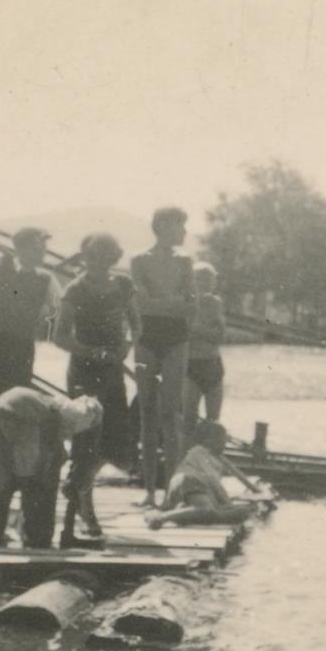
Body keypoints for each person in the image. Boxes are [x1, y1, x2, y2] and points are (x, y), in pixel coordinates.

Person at [53, 233, 139, 543]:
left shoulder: (123, 285)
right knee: (86, 443)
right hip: (84, 372)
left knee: (114, 443)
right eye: (93, 258)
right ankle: (83, 509)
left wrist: (127, 345)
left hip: (112, 370)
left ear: (113, 259)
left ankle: (79, 490)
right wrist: (90, 352)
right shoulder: (75, 290)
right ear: (85, 258)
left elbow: (136, 324)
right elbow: (59, 336)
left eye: (105, 258)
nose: (99, 264)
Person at [0, 387, 101, 551]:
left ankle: (34, 534)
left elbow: (87, 409)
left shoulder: (58, 417)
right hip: (3, 469)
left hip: (36, 467)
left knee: (39, 539)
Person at [0, 227, 61, 448]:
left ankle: (9, 458)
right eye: (37, 248)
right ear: (21, 248)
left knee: (16, 402)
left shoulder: (47, 279)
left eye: (44, 248)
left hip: (21, 347)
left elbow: (59, 309)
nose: (42, 252)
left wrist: (45, 320)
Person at [129, 206, 195, 506]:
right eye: (180, 225)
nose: (184, 231)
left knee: (170, 414)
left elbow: (190, 307)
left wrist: (162, 303)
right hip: (147, 337)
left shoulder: (185, 261)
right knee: (147, 412)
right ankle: (148, 491)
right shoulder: (139, 260)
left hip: (175, 339)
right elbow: (140, 304)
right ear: (163, 226)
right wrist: (171, 302)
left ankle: (172, 490)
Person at [146, 421, 257, 529]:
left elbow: (236, 473)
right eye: (222, 441)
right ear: (209, 441)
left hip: (183, 484)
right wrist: (228, 504)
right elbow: (213, 481)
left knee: (214, 511)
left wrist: (255, 489)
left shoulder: (211, 455)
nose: (224, 444)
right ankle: (162, 518)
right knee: (208, 510)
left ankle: (176, 512)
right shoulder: (201, 451)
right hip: (190, 480)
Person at [184, 261, 226, 432]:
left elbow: (219, 336)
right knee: (189, 418)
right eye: (199, 279)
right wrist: (205, 332)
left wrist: (198, 330)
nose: (204, 284)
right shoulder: (185, 303)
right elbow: (185, 333)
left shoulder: (216, 303)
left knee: (213, 421)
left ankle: (208, 446)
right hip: (190, 365)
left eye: (208, 280)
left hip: (213, 364)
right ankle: (187, 447)